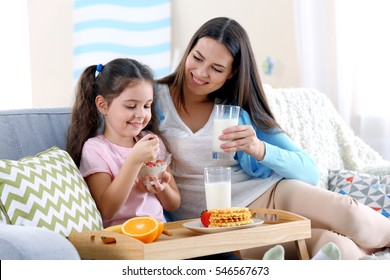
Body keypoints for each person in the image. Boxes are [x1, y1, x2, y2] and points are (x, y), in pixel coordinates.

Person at [155, 17, 390, 259]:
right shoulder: (151, 99)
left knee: (348, 214)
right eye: (197, 58)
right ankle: (371, 251)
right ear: (190, 49)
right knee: (336, 248)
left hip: (271, 195)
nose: (201, 73)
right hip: (221, 227)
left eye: (216, 69)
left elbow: (309, 172)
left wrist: (259, 149)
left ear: (231, 73)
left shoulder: (237, 109)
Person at [67, 58, 180, 228]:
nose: (141, 114)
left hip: (158, 232)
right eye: (131, 106)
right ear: (103, 105)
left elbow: (174, 204)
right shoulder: (95, 149)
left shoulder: (150, 141)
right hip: (123, 237)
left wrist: (162, 189)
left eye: (147, 106)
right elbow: (107, 209)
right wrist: (134, 161)